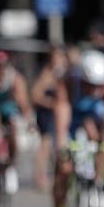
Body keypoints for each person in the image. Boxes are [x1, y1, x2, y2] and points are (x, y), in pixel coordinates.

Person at [50, 49, 104, 207]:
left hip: (91, 117)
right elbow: (62, 114)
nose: (96, 90)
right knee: (64, 169)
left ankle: (97, 181)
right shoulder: (68, 83)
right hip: (71, 119)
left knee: (103, 139)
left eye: (99, 86)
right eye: (91, 85)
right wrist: (62, 145)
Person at [0, 50, 34, 194]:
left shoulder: (15, 79)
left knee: (13, 131)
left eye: (2, 65)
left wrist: (29, 121)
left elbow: (23, 102)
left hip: (8, 113)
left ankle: (11, 166)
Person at [31, 46, 68, 190]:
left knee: (56, 146)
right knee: (45, 145)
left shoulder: (61, 73)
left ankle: (52, 174)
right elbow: (35, 95)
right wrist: (52, 104)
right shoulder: (47, 74)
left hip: (56, 115)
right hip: (46, 114)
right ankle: (40, 176)